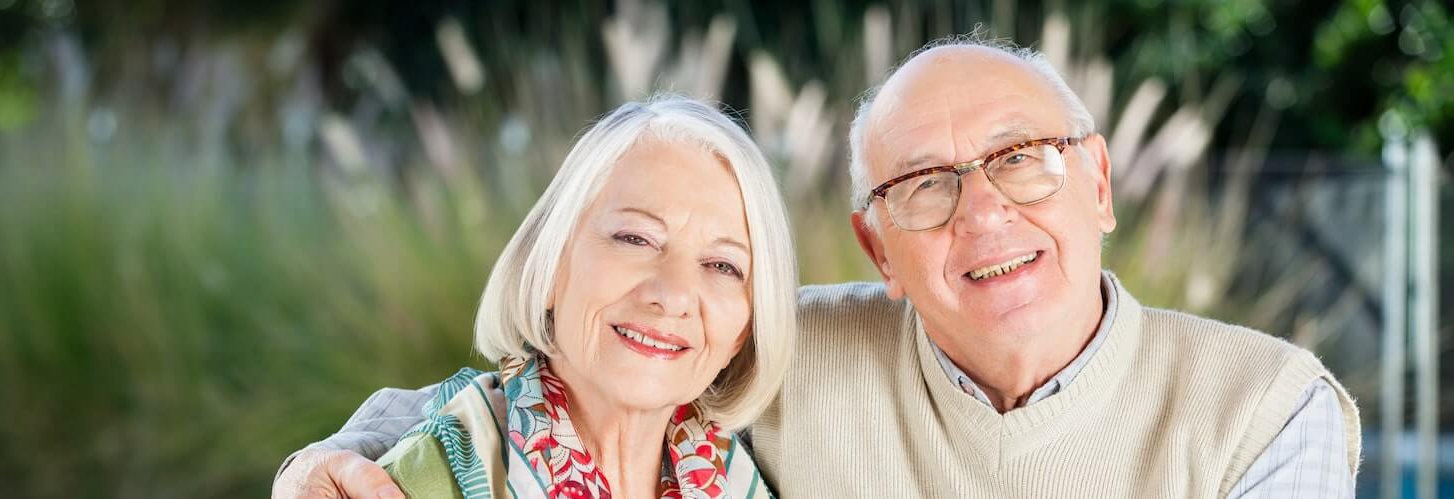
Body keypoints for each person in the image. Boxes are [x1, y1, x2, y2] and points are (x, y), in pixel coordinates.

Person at [274, 37, 1360, 499]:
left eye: (1022, 161)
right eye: (923, 183)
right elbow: (551, 388)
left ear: (1102, 184)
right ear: (875, 248)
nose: (982, 210)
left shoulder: (1266, 409)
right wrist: (336, 451)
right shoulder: (781, 354)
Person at [304, 96, 797, 498]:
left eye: (722, 266)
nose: (673, 296)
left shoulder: (739, 480)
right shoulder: (415, 484)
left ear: (744, 331)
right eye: (635, 238)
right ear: (551, 264)